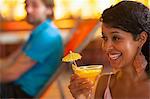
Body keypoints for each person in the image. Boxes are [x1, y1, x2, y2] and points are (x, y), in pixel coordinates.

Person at [69, 1, 150, 99]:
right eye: (105, 38)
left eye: (116, 38)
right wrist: (82, 97)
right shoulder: (104, 84)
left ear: (141, 39)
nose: (106, 47)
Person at [0, 0, 64, 98]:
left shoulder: (47, 36)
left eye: (35, 5)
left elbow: (11, 74)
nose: (28, 10)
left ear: (49, 10)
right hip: (16, 86)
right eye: (27, 5)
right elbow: (10, 61)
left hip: (22, 92)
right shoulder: (40, 32)